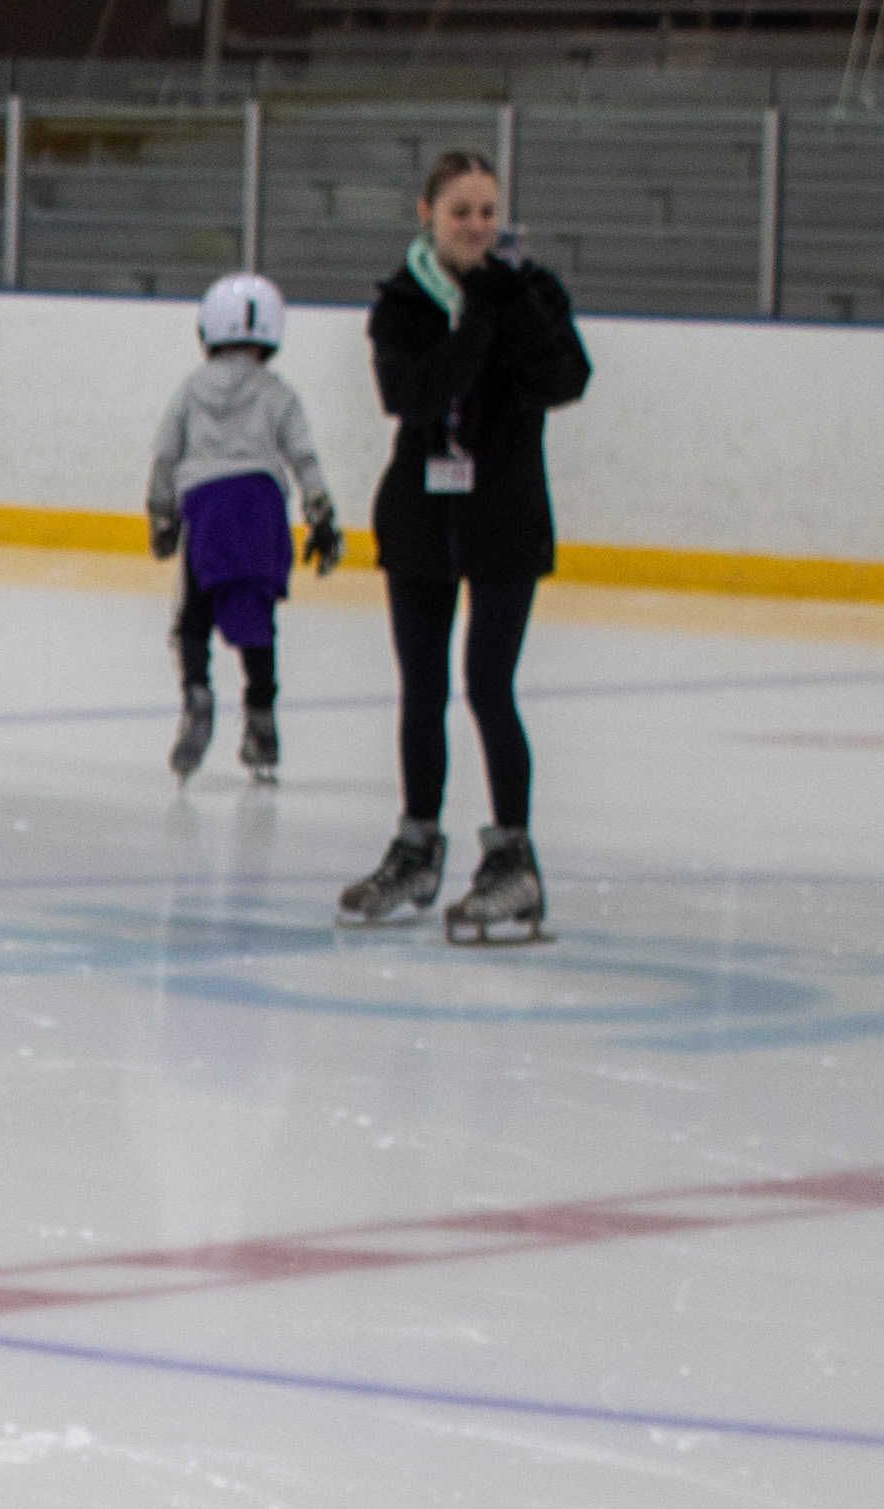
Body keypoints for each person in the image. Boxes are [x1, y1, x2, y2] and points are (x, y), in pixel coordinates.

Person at [341, 147, 591, 943]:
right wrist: (477, 320)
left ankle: (513, 859)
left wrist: (505, 308)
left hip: (505, 517)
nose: (478, 226)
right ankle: (417, 846)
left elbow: (565, 380)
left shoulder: (532, 291)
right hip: (419, 516)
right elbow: (413, 395)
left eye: (488, 211)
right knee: (421, 687)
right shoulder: (402, 302)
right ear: (428, 214)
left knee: (488, 683)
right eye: (461, 212)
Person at [146, 273, 340, 784]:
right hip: (260, 509)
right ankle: (261, 719)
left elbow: (165, 453)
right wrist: (319, 512)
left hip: (207, 508)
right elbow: (302, 456)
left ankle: (197, 694)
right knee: (257, 618)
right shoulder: (277, 393)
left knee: (192, 618)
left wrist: (161, 515)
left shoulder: (191, 389)